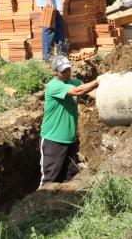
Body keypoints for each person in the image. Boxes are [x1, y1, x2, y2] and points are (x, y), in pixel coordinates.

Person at [40, 55, 99, 186]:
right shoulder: (53, 85)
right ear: (55, 72)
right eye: (63, 71)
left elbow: (91, 92)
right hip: (53, 140)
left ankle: (63, 205)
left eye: (68, 70)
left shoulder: (74, 82)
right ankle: (41, 205)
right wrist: (97, 81)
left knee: (70, 176)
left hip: (70, 140)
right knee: (50, 180)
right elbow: (78, 92)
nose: (67, 73)